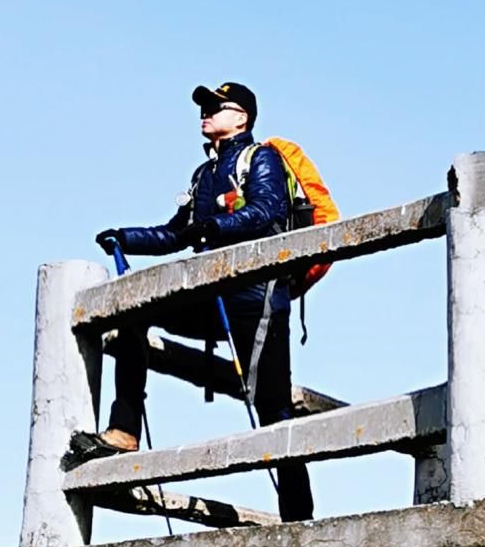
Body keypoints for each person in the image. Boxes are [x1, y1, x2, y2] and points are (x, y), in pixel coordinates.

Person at [73, 80, 314, 523]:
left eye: (217, 106)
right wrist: (128, 238)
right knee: (135, 311)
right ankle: (124, 429)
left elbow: (267, 211)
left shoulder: (260, 158)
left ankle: (298, 518)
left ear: (242, 117)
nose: (206, 113)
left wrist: (215, 230)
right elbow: (178, 233)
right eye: (204, 107)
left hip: (258, 297)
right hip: (213, 294)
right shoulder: (203, 175)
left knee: (272, 407)